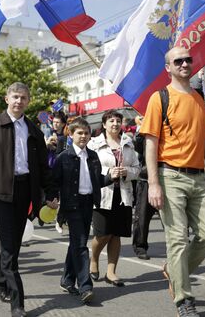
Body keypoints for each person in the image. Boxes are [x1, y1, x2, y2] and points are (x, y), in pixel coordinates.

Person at [140, 46, 205, 317]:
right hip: (169, 176)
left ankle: (174, 270)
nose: (185, 64)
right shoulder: (159, 98)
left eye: (188, 59)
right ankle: (184, 300)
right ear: (169, 67)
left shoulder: (201, 99)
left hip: (199, 178)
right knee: (176, 239)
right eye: (179, 61)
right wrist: (153, 183)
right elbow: (150, 144)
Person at [0, 82, 52, 317]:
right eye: (15, 97)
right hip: (1, 193)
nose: (19, 101)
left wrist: (50, 194)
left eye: (23, 98)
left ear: (28, 101)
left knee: (11, 246)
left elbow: (44, 166)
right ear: (7, 99)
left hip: (25, 191)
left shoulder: (33, 129)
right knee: (9, 246)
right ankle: (17, 302)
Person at [46, 117, 115, 303]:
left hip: (88, 204)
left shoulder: (93, 156)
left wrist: (110, 177)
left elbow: (97, 181)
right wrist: (50, 199)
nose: (83, 136)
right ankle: (85, 286)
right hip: (71, 205)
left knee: (76, 243)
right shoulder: (63, 157)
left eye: (86, 133)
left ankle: (67, 280)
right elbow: (54, 181)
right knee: (81, 244)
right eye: (79, 133)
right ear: (71, 134)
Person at [88, 109, 140, 287]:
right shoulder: (94, 143)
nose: (115, 124)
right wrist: (108, 173)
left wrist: (127, 172)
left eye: (118, 121)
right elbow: (89, 168)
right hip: (103, 193)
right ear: (104, 124)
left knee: (116, 234)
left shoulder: (128, 143)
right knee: (103, 234)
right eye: (111, 121)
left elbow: (137, 168)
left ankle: (111, 272)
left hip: (123, 194)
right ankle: (93, 259)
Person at [131, 128, 157, 260]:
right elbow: (138, 146)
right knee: (142, 215)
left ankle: (179, 246)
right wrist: (142, 130)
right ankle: (140, 246)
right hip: (146, 177)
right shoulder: (147, 126)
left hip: (171, 175)